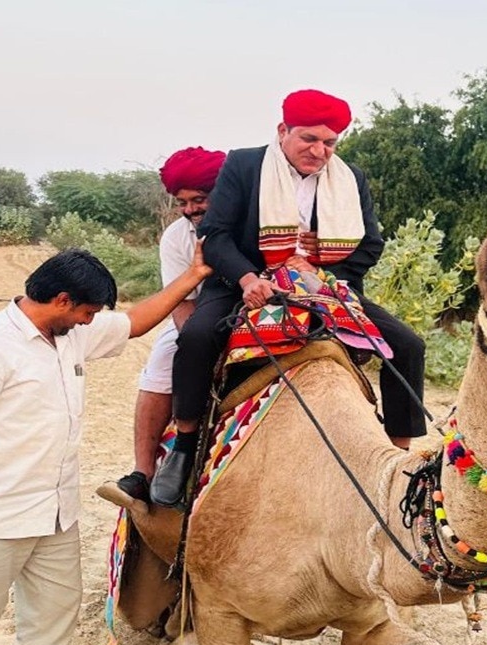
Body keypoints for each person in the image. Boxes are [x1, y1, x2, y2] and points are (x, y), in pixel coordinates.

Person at [0, 247, 209, 645]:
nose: (90, 321)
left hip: (57, 517)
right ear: (62, 300)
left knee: (51, 625)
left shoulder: (70, 333)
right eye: (87, 311)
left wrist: (193, 275)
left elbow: (134, 323)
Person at [150, 88, 427, 507]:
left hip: (320, 287)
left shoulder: (350, 179)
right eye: (309, 139)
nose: (319, 151)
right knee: (196, 337)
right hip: (244, 284)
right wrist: (245, 278)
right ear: (283, 131)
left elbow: (370, 244)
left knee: (408, 345)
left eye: (329, 142)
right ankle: (185, 446)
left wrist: (322, 275)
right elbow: (217, 234)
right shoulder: (244, 164)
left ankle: (396, 458)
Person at [113, 146, 226, 502]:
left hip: (255, 309)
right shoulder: (176, 237)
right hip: (196, 316)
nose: (190, 209)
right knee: (164, 361)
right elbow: (181, 304)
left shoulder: (251, 222)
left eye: (200, 199)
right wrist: (204, 345)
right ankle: (143, 472)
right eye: (183, 202)